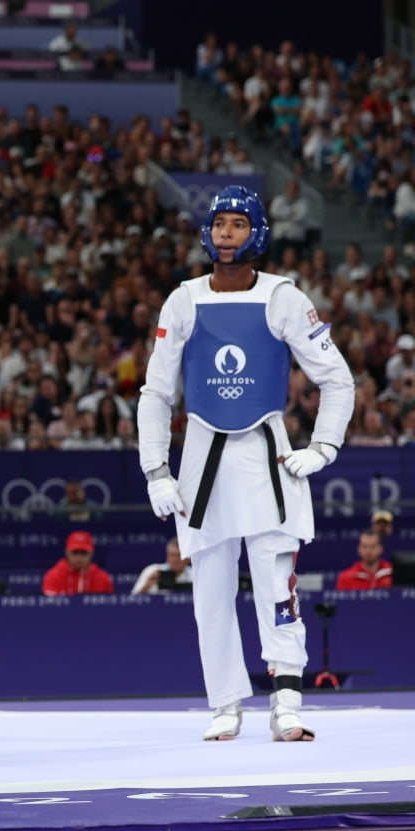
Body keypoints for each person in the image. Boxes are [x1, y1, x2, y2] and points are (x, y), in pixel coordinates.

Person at [136, 185, 353, 744]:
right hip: (202, 464)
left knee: (277, 584)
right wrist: (156, 471)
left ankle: (286, 699)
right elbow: (156, 393)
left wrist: (323, 447)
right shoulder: (182, 300)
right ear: (205, 232)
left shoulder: (284, 297)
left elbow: (337, 378)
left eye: (236, 224)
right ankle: (226, 703)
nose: (225, 235)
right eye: (218, 225)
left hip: (267, 458)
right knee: (209, 590)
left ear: (255, 231)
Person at [42, 531, 114, 595]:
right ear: (67, 552)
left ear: (91, 553)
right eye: (75, 552)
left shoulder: (103, 578)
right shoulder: (53, 576)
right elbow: (50, 608)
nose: (79, 557)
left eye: (84, 553)